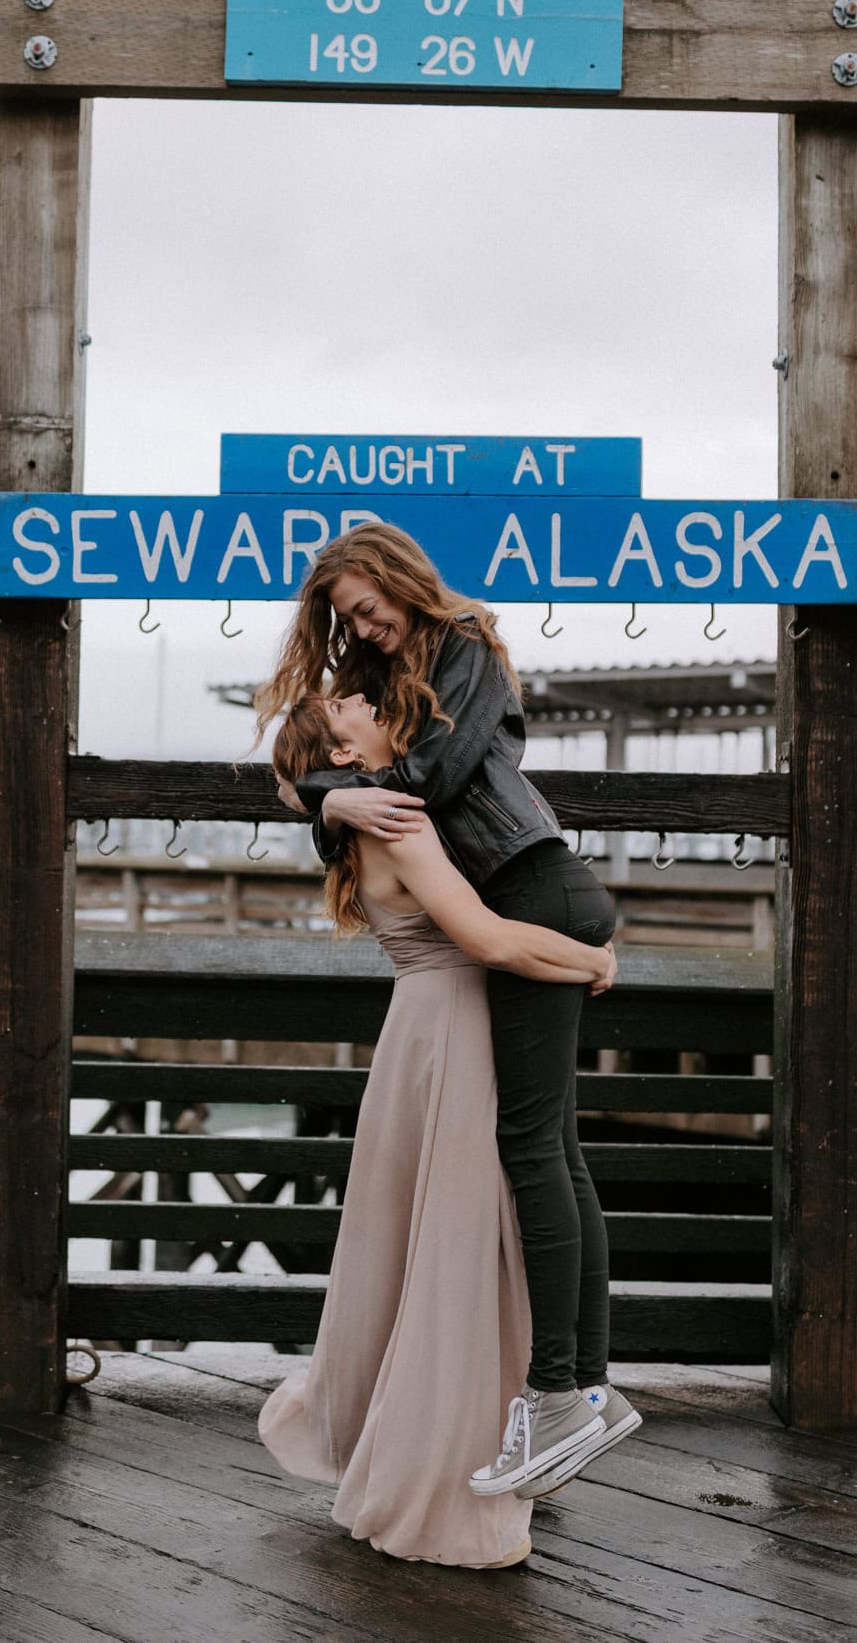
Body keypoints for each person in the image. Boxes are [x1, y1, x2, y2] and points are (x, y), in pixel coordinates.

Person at [256, 523, 642, 1499]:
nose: (362, 626)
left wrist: (336, 796)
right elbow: (304, 755)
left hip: (527, 888)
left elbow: (429, 777)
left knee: (531, 1149)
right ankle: (584, 1389)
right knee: (554, 1149)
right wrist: (327, 795)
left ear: (396, 575)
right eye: (344, 617)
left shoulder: (463, 646)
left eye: (366, 604)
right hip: (526, 897)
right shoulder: (393, 676)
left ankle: (560, 1394)